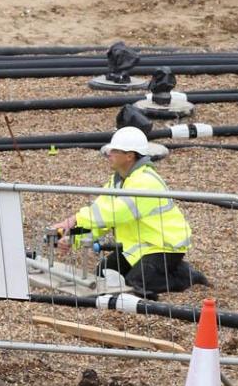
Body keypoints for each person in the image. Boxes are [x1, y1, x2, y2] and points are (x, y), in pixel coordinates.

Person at [51, 125, 197, 297]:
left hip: (164, 248)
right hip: (138, 247)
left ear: (130, 155)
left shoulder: (145, 182)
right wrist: (73, 238)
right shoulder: (118, 182)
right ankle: (168, 272)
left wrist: (72, 220)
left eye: (115, 151)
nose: (109, 154)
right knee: (103, 272)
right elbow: (100, 217)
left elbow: (113, 213)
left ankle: (183, 275)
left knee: (134, 286)